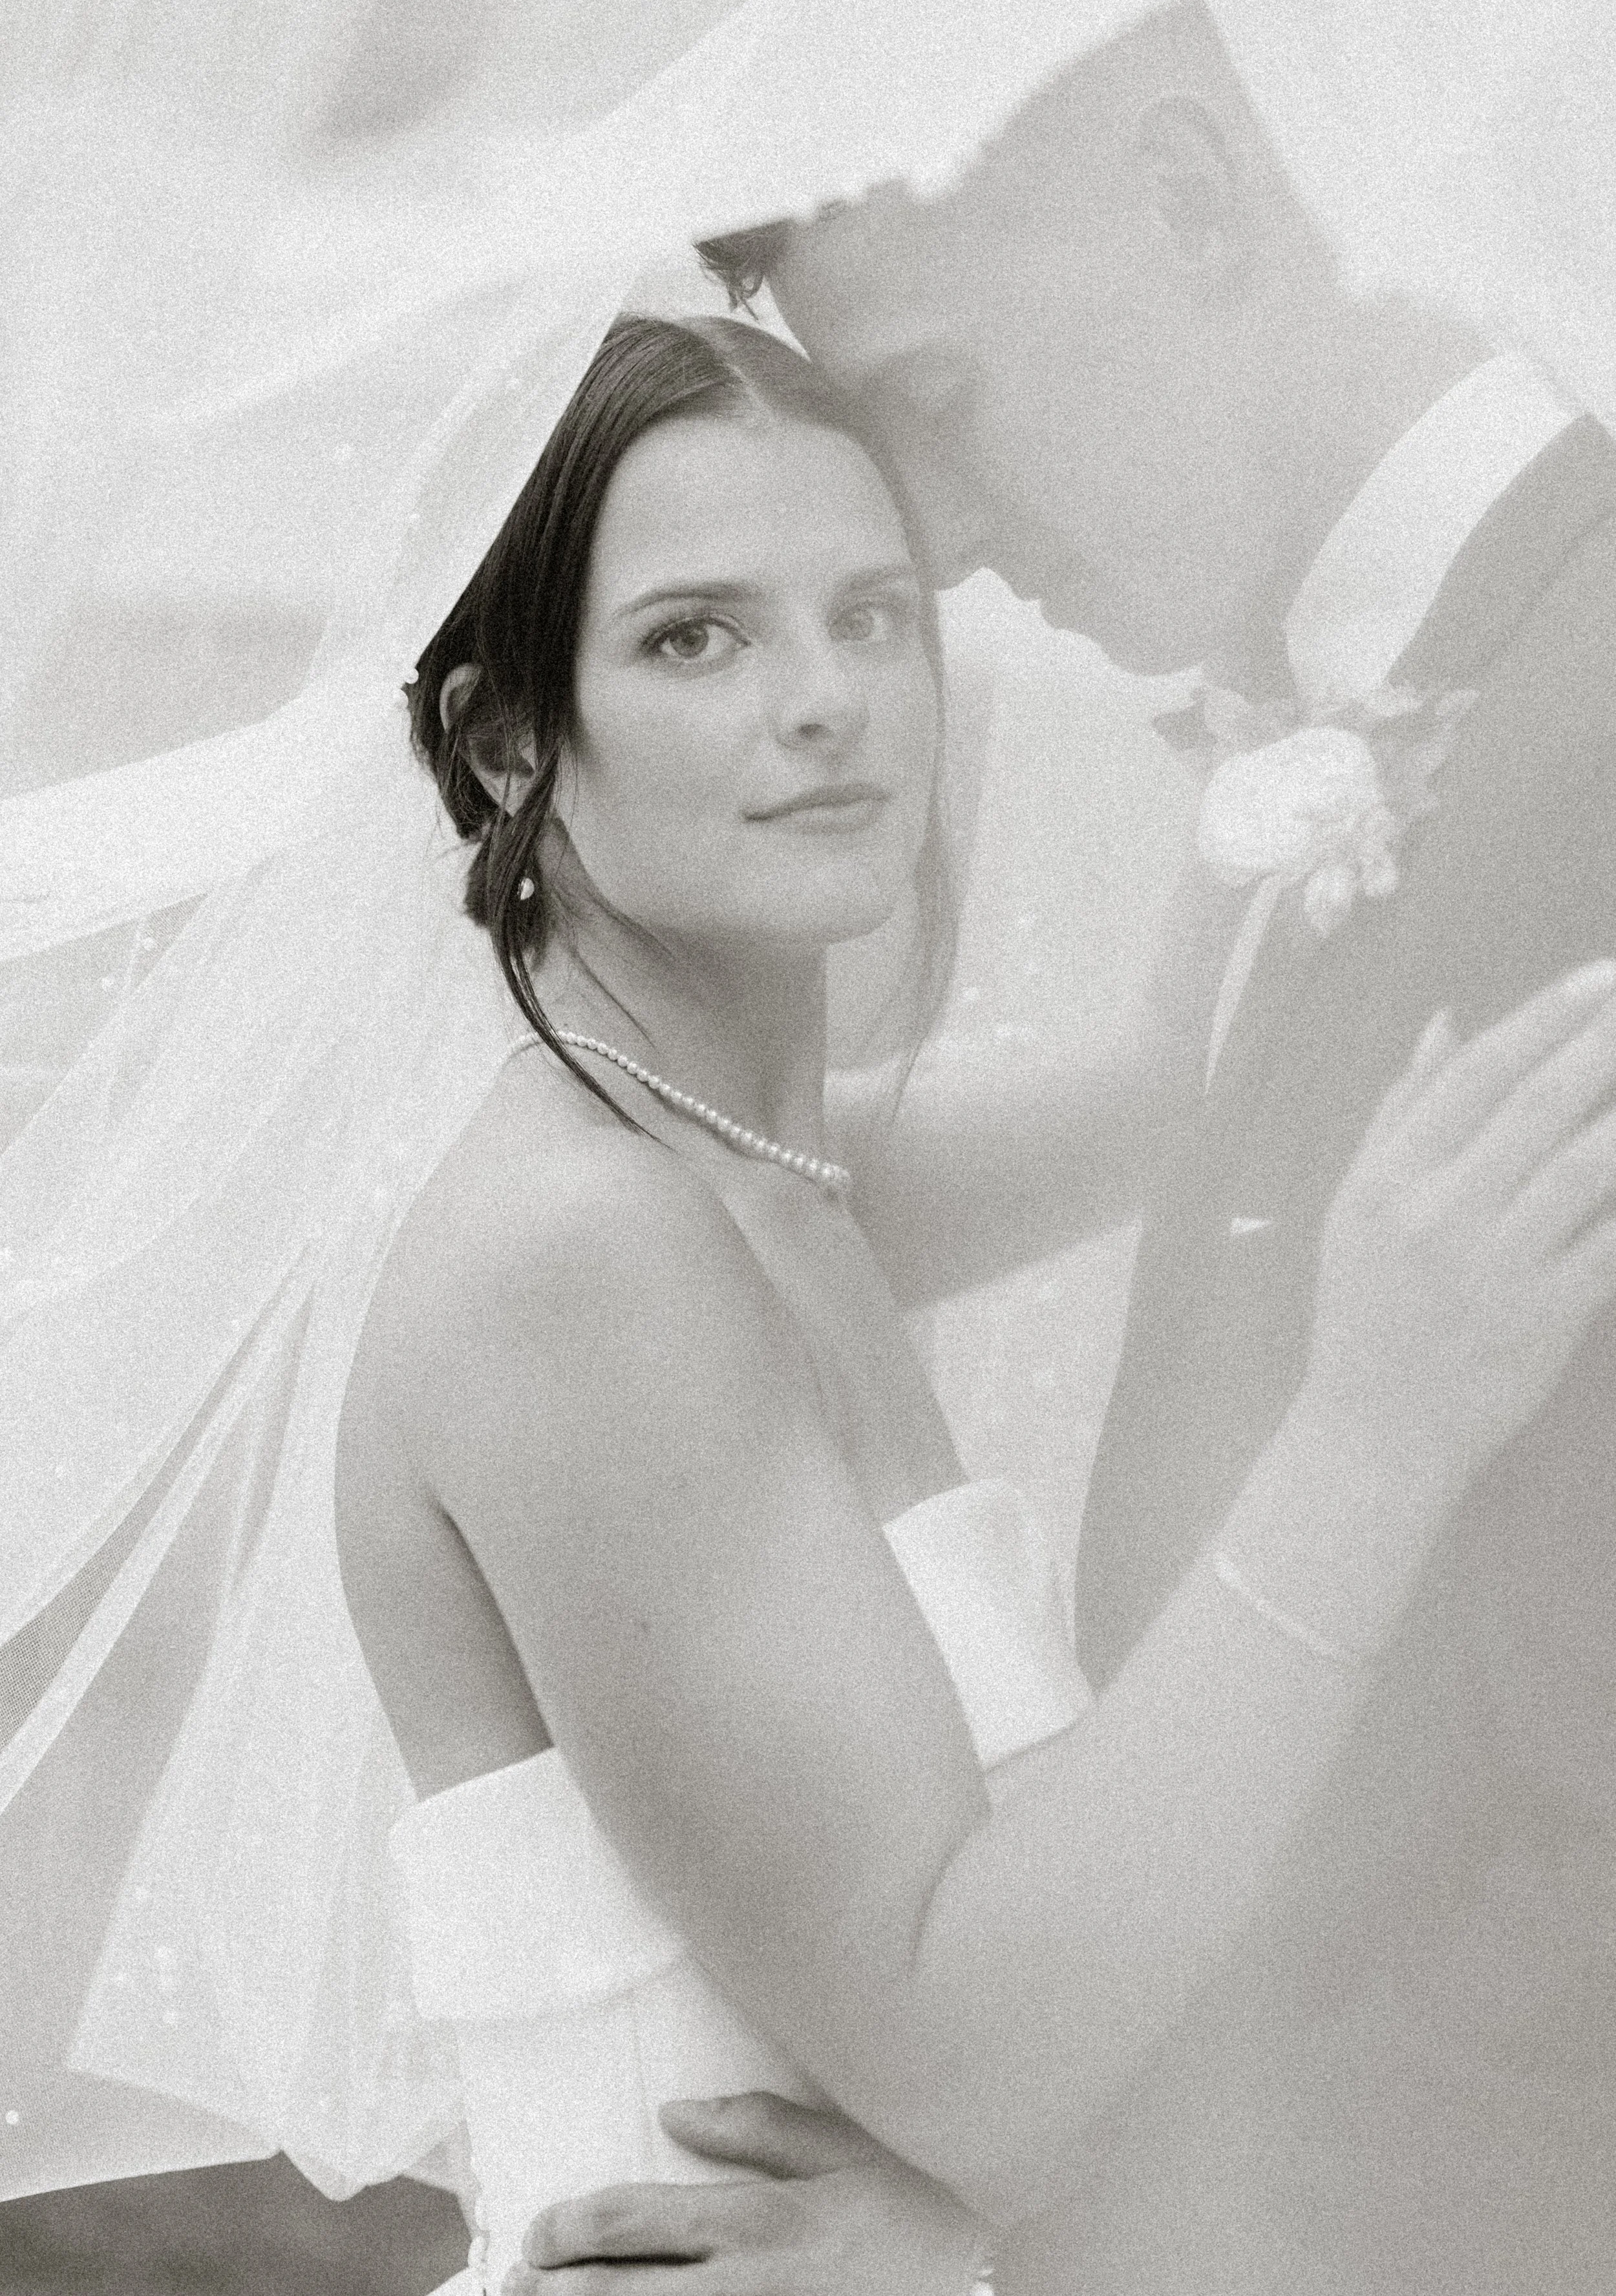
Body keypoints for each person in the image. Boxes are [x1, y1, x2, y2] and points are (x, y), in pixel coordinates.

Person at [319, 309, 1616, 2296]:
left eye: (873, 613)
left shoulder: (760, 1164)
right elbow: (977, 2067)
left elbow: (1164, 1104)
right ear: (509, 738)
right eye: (696, 637)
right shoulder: (576, 1255)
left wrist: (1307, 774)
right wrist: (1376, 1430)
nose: (826, 698)